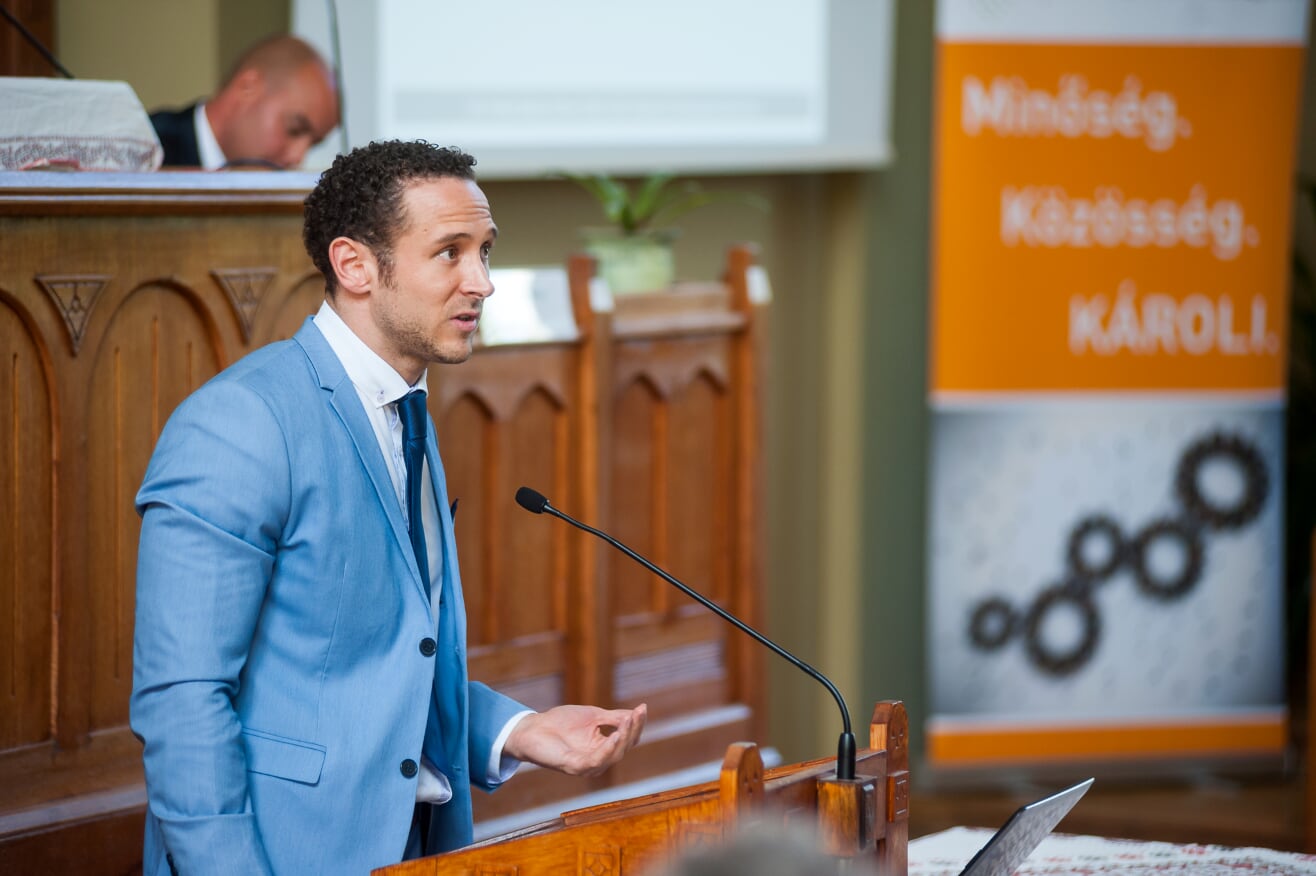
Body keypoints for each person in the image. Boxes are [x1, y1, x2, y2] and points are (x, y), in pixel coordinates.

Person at [130, 139, 647, 876]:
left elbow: (381, 662)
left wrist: (520, 732)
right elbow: (182, 702)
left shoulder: (407, 410)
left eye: (484, 252)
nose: (481, 282)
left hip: (416, 848)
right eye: (449, 253)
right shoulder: (241, 422)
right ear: (355, 266)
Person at [148, 34, 338, 169]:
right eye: (294, 130)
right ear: (248, 87)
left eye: (313, 144)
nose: (297, 157)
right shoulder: (145, 154)